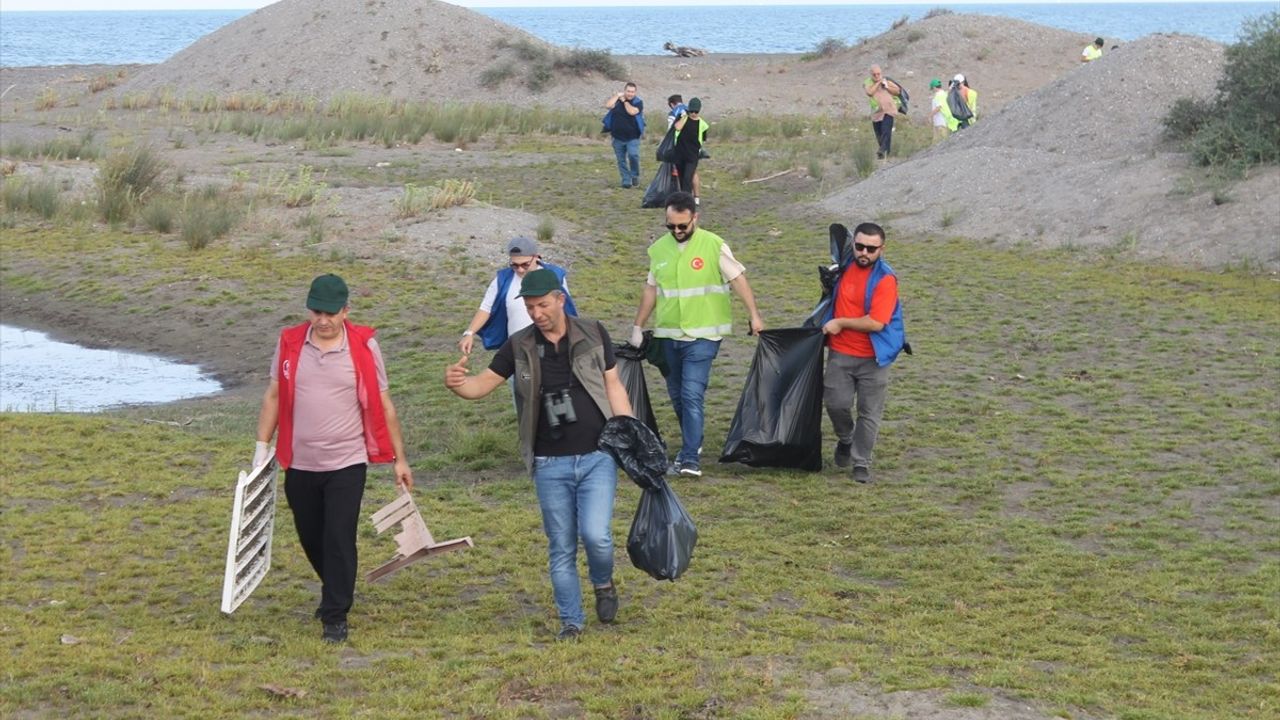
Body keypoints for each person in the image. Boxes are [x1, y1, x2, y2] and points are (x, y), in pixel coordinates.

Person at [444, 269, 633, 641]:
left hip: (598, 456)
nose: (536, 313)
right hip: (549, 462)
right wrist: (458, 385)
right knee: (561, 545)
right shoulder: (519, 345)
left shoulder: (594, 332)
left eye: (542, 305)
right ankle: (571, 622)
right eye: (530, 307)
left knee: (597, 536)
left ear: (560, 299)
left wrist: (628, 432)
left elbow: (613, 384)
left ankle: (603, 582)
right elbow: (484, 383)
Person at [253, 273, 414, 644]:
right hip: (300, 461)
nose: (322, 321)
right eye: (316, 312)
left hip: (347, 460)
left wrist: (399, 460)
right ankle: (335, 590)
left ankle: (335, 613)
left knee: (339, 536)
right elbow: (274, 396)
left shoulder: (364, 346)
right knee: (311, 535)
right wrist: (262, 449)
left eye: (330, 313)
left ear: (346, 311)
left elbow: (384, 405)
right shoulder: (290, 343)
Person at [629, 191, 765, 477]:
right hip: (668, 336)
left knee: (691, 394)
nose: (677, 231)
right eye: (671, 226)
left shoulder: (713, 245)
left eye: (682, 226)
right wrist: (637, 326)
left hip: (703, 336)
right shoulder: (658, 250)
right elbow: (651, 290)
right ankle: (695, 440)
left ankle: (690, 458)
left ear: (695, 219)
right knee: (678, 396)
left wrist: (754, 315)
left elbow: (738, 279)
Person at [819, 223, 907, 485]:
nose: (864, 253)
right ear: (853, 245)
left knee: (869, 413)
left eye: (871, 248)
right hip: (841, 353)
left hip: (874, 358)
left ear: (882, 249)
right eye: (859, 247)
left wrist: (841, 322)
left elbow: (876, 323)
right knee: (836, 404)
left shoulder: (886, 280)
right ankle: (846, 439)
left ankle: (861, 462)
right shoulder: (843, 268)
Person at [458, 237, 575, 356]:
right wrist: (469, 333)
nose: (519, 269)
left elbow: (566, 308)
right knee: (523, 375)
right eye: (514, 265)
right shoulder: (502, 279)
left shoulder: (555, 276)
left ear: (536, 257)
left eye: (525, 264)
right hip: (517, 349)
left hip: (553, 348)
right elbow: (486, 308)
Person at [604, 82, 645, 189]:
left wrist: (625, 101)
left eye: (632, 92)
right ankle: (626, 180)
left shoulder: (638, 102)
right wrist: (617, 96)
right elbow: (608, 105)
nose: (630, 94)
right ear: (624, 91)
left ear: (635, 92)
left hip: (632, 136)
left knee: (633, 155)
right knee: (621, 160)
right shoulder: (617, 101)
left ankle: (634, 175)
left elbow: (631, 112)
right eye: (628, 91)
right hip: (617, 136)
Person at [671, 97, 709, 203]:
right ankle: (685, 197)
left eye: (696, 112)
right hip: (679, 154)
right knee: (682, 178)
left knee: (688, 177)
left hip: (692, 156)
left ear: (699, 111)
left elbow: (704, 139)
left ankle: (686, 201)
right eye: (691, 111)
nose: (693, 113)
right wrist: (685, 117)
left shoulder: (703, 124)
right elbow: (677, 128)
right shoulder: (684, 119)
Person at [863, 65, 902, 159]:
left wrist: (886, 86)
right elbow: (869, 92)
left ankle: (883, 150)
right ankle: (884, 153)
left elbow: (897, 91)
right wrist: (878, 83)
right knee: (879, 134)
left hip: (888, 110)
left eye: (878, 74)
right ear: (871, 75)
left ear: (881, 73)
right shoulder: (868, 83)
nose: (877, 76)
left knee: (886, 130)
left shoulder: (887, 81)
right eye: (874, 74)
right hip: (876, 113)